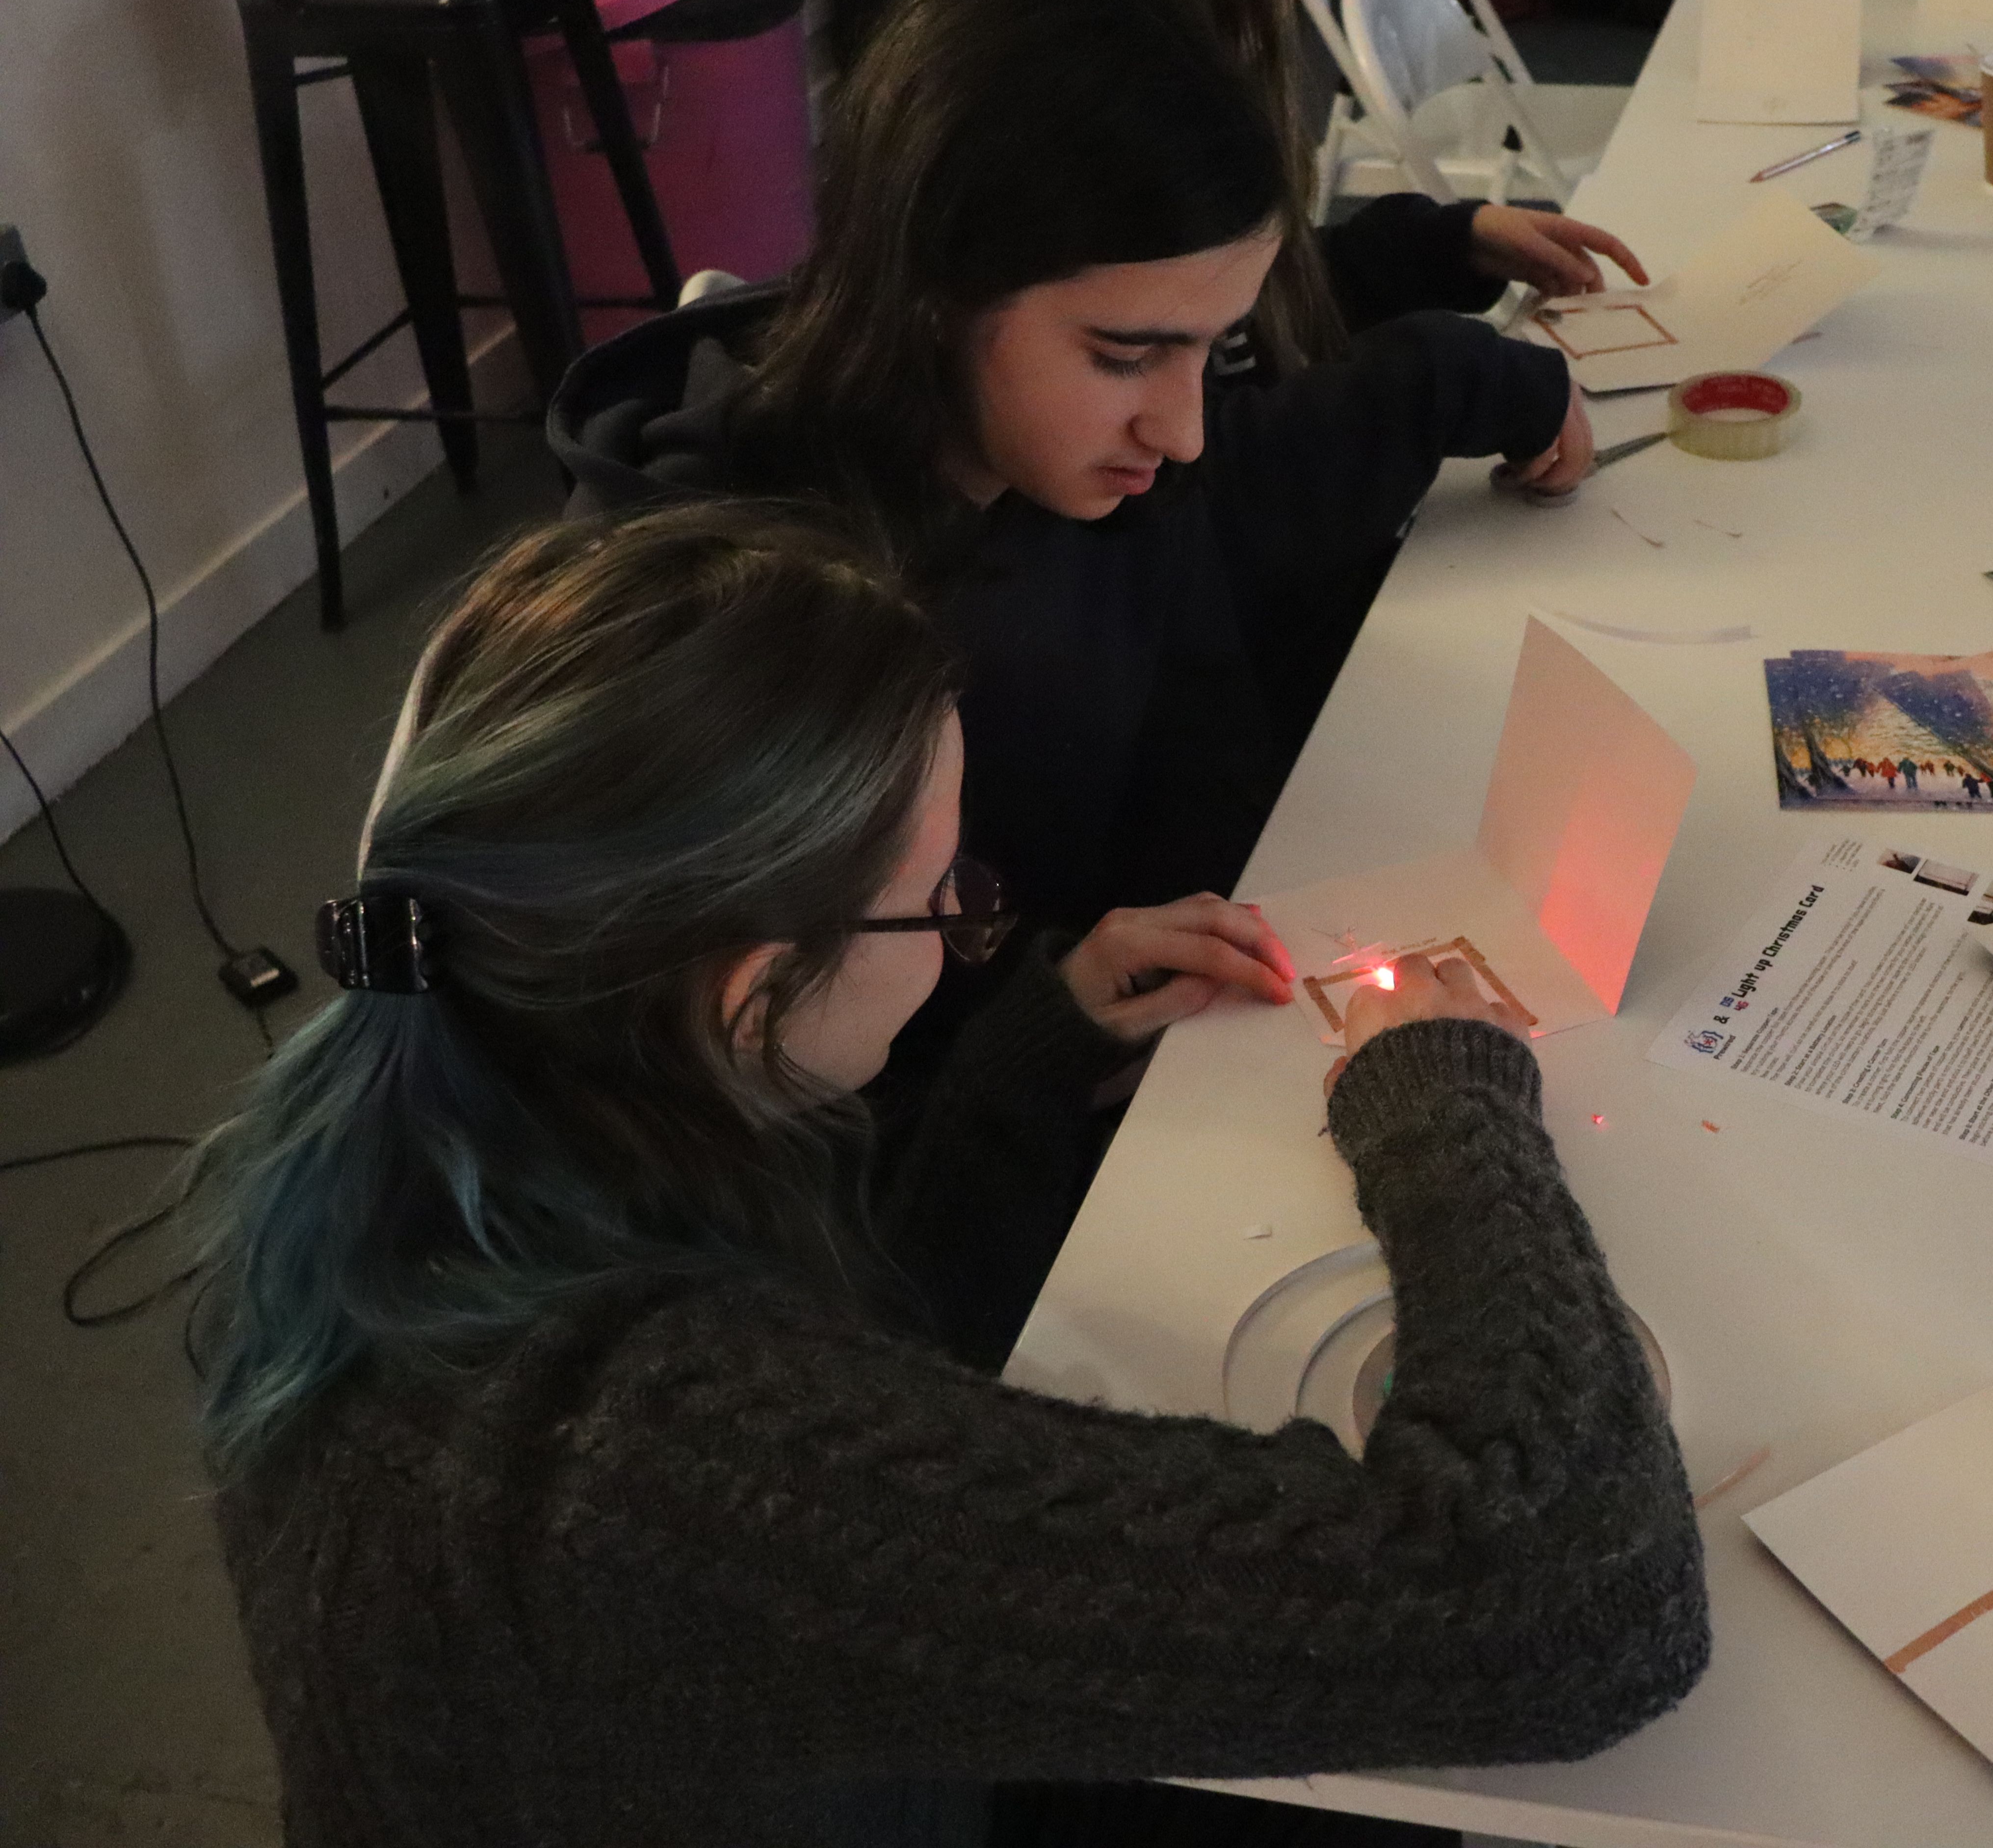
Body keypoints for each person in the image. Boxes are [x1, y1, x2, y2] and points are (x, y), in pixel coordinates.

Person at [199, 503, 1711, 1847]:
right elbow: (1573, 1596)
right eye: (941, 904)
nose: (965, 925)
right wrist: (1443, 1101)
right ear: (752, 994)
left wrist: (1029, 1064)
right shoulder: (638, 1472)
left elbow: (851, 1384)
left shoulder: (401, 1129)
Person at [550, 0, 1595, 938]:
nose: (1183, 432)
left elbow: (1221, 538)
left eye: (1210, 348)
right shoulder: (732, 632)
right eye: (1127, 355)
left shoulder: (1062, 465)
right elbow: (768, 1072)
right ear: (932, 285)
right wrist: (1049, 1033)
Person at [975, 0, 1648, 379]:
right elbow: (1200, 456)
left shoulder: (1143, 88)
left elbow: (1251, 314)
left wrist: (1441, 245)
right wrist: (1436, 383)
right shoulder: (1100, 153)